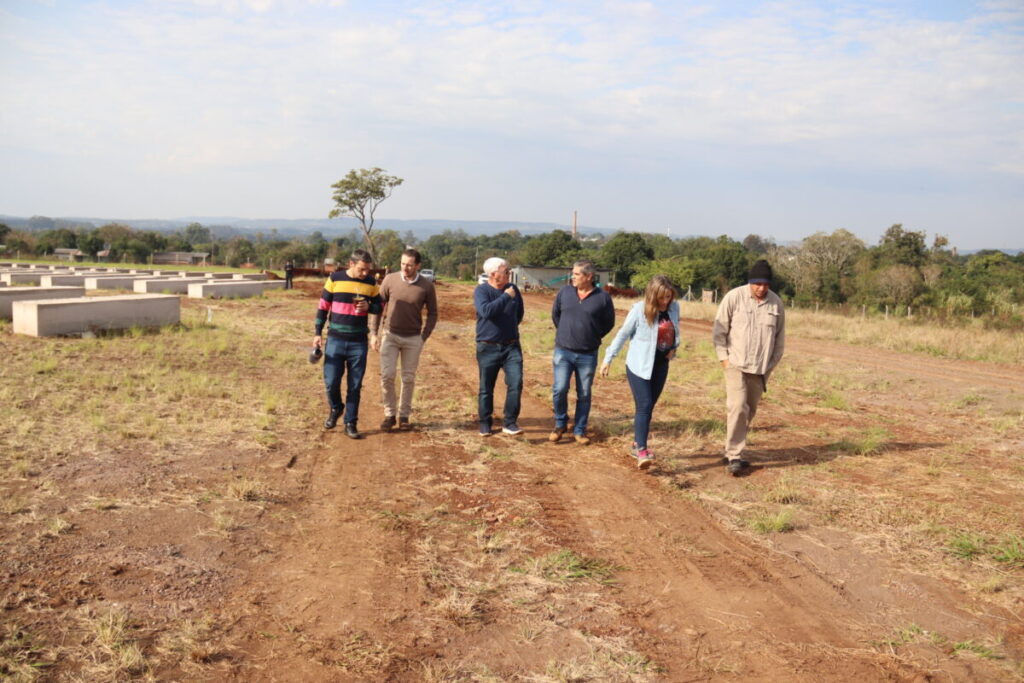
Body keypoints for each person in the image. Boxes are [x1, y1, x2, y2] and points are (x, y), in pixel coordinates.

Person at [712, 259, 786, 476]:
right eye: (757, 284)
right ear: (750, 282)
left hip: (760, 369)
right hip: (735, 364)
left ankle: (732, 449)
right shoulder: (734, 297)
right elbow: (719, 331)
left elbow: (779, 340)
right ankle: (735, 455)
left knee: (749, 411)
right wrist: (724, 360)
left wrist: (769, 366)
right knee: (737, 407)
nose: (761, 288)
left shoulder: (776, 304)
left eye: (766, 284)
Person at [600, 275, 680, 469]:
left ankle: (636, 443)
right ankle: (642, 450)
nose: (665, 301)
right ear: (653, 296)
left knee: (648, 406)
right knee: (644, 404)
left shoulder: (675, 308)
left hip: (661, 365)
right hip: (639, 366)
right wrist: (608, 359)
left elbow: (675, 330)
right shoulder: (638, 310)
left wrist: (674, 347)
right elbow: (623, 334)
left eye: (668, 297)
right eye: (661, 297)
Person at [312, 249, 381, 439]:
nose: (365, 273)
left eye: (367, 269)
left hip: (358, 342)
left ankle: (351, 422)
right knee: (331, 382)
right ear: (351, 264)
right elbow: (323, 307)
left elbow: (379, 306)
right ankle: (336, 408)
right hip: (335, 339)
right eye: (362, 269)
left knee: (355, 385)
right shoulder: (335, 279)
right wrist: (318, 333)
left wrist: (369, 306)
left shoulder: (370, 283)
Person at [550, 260, 616, 446]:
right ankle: (560, 424)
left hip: (587, 354)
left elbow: (608, 323)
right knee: (560, 389)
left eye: (577, 274)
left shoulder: (603, 297)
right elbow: (556, 315)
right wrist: (565, 332)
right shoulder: (565, 292)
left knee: (584, 393)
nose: (573, 277)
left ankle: (579, 429)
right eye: (573, 273)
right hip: (563, 351)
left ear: (588, 277)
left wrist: (591, 335)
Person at [373, 248, 438, 431]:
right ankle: (389, 414)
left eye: (409, 265)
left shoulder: (426, 286)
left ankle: (404, 416)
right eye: (402, 264)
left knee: (408, 378)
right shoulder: (390, 279)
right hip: (390, 335)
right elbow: (378, 307)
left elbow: (433, 313)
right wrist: (373, 333)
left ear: (418, 265)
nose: (405, 268)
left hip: (413, 339)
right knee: (387, 375)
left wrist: (423, 336)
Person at [474, 257, 524, 437]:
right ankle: (485, 422)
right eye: (506, 271)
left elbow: (519, 314)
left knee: (516, 383)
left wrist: (508, 328)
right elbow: (486, 311)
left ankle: (510, 422)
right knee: (486, 387)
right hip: (487, 347)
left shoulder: (513, 290)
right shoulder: (481, 291)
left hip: (511, 346)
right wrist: (505, 297)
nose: (509, 273)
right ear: (493, 274)